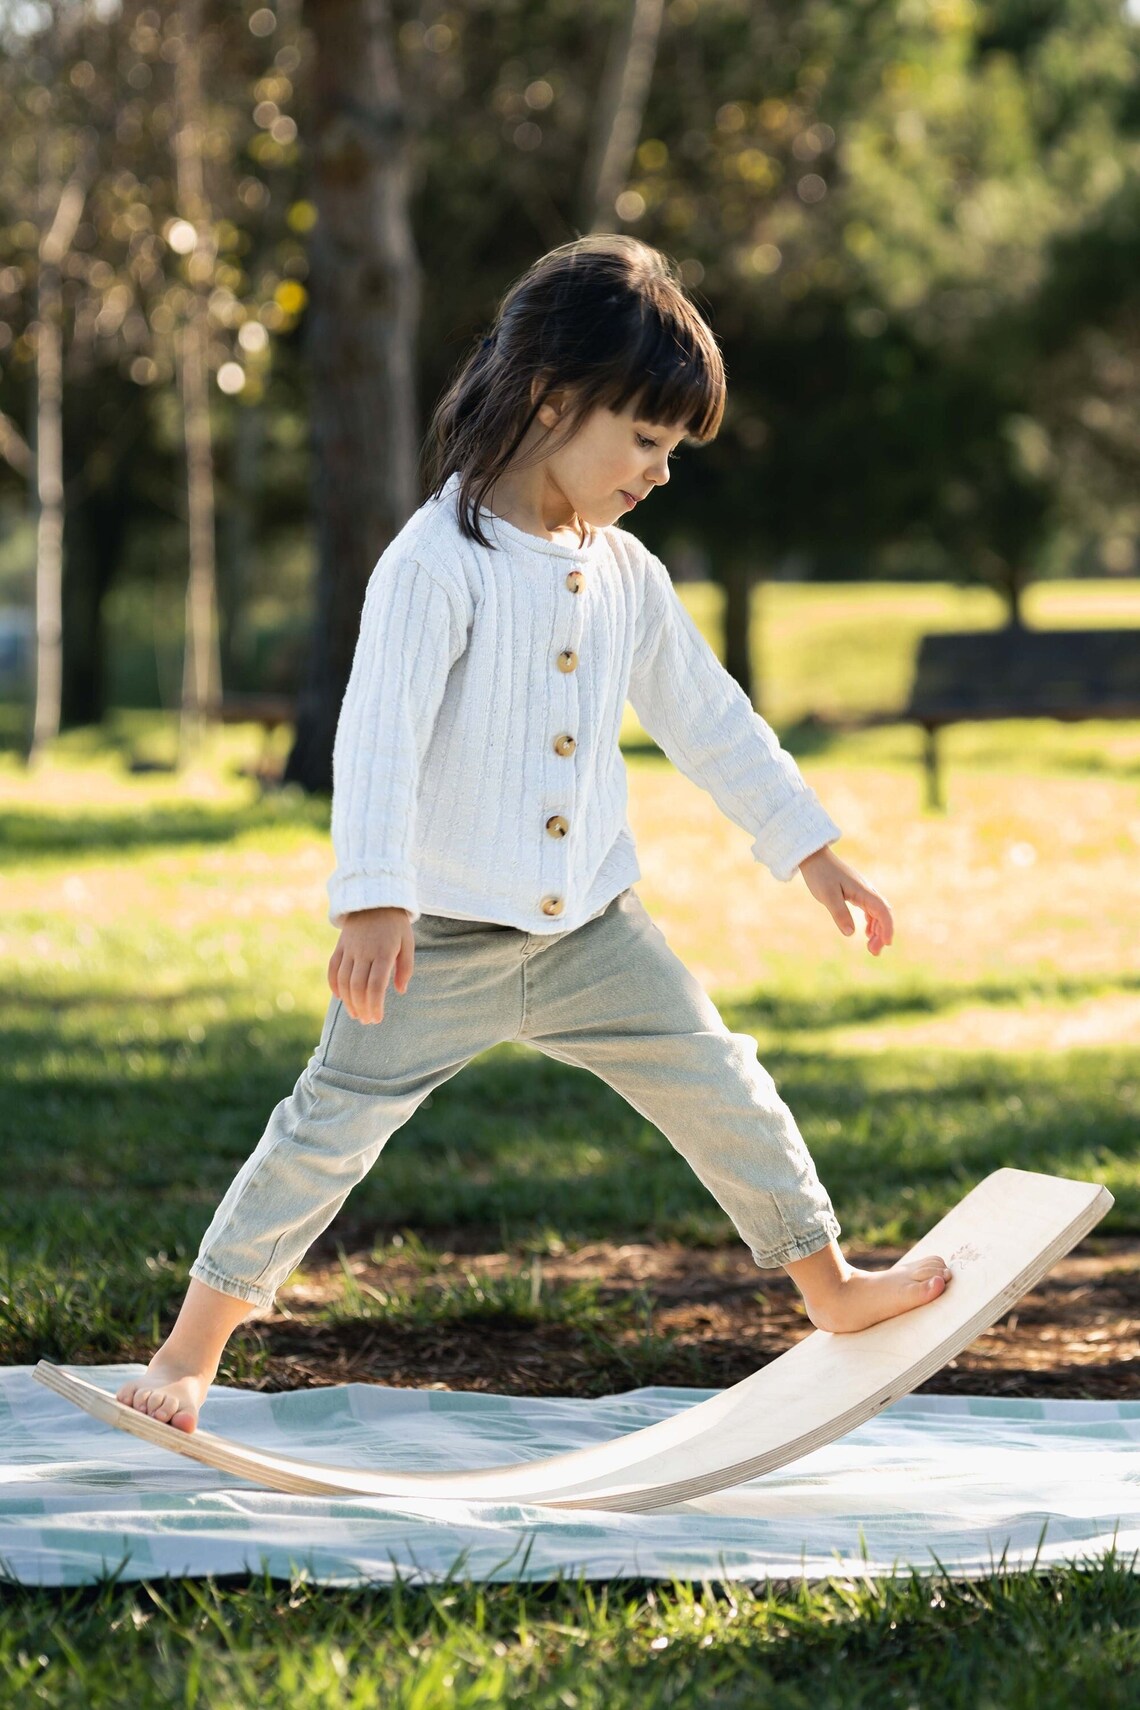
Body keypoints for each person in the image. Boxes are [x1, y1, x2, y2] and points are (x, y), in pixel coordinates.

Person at [118, 234, 950, 1434]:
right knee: (325, 1130)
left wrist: (813, 851)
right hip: (437, 941)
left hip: (594, 937)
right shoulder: (435, 563)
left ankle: (831, 1289)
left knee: (724, 1085)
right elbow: (378, 738)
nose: (660, 473)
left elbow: (713, 723)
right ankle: (191, 1353)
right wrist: (371, 896)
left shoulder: (625, 574)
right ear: (556, 401)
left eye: (673, 450)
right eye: (646, 441)